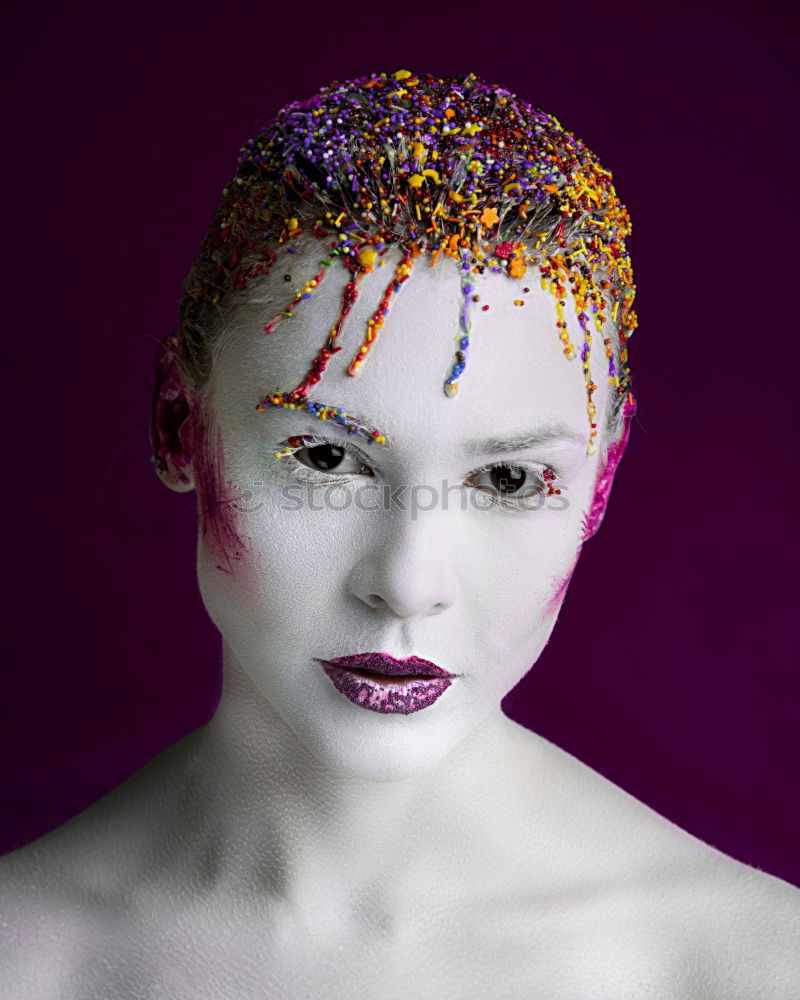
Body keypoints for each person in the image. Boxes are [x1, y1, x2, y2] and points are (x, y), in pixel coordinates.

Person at [1, 69, 798, 999]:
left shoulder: (754, 968)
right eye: (326, 459)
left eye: (507, 478)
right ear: (181, 424)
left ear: (600, 482)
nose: (409, 583)